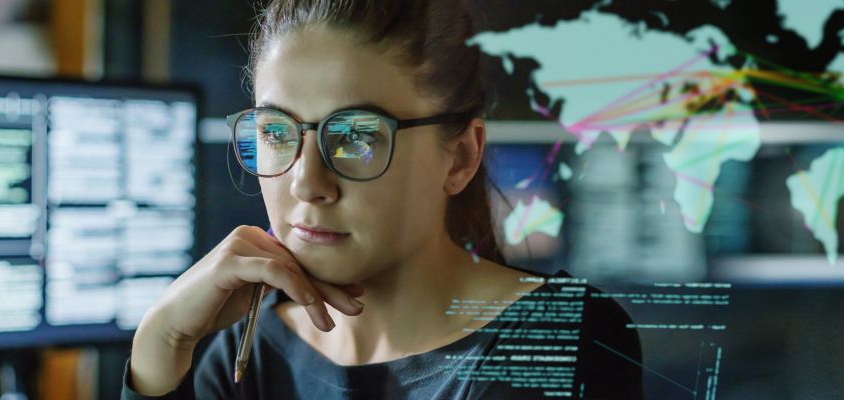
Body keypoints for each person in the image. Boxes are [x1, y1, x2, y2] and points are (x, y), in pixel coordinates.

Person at [123, 0, 643, 398]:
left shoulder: (562, 344)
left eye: (357, 136)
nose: (306, 183)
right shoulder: (244, 356)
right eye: (277, 132)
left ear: (460, 157)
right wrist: (160, 341)